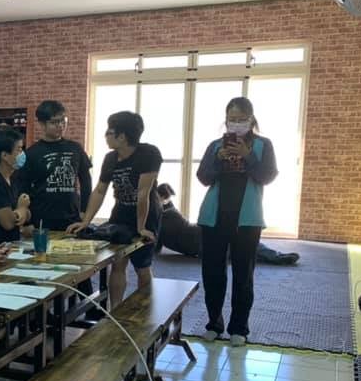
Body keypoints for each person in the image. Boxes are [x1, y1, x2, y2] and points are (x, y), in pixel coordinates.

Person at [196, 97, 278, 347]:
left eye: (242, 119)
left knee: (243, 275)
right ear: (226, 120)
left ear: (251, 119)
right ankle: (214, 323)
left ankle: (239, 328)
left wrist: (247, 155)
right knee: (212, 273)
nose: (237, 124)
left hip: (247, 220)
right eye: (232, 119)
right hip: (214, 218)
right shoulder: (215, 146)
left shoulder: (263, 145)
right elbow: (203, 177)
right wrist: (218, 160)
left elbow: (267, 176)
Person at [67, 111, 161, 307]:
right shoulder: (110, 158)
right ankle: (115, 309)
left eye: (109, 132)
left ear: (122, 136)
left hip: (146, 214)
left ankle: (146, 311)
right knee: (118, 261)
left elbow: (143, 194)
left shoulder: (149, 154)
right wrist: (85, 221)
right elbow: (100, 190)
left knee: (142, 266)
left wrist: (141, 228)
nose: (106, 136)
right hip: (120, 213)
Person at [154, 184, 299, 265]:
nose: (169, 200)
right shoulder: (167, 215)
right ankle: (276, 257)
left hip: (199, 239)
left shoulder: (165, 215)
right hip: (200, 241)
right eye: (166, 198)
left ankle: (276, 257)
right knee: (242, 247)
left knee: (241, 247)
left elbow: (156, 246)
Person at [15, 100, 92, 231]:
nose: (60, 125)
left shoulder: (75, 148)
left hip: (72, 219)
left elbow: (86, 181)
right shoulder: (31, 153)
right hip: (41, 220)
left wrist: (84, 211)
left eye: (63, 121)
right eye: (54, 122)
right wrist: (26, 220)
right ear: (42, 124)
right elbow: (22, 187)